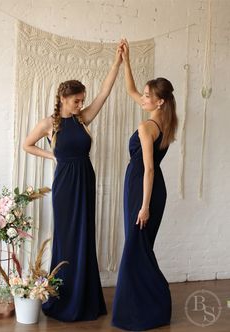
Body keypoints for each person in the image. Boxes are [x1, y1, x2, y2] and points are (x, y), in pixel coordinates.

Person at [23, 43, 122, 322]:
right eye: (76, 101)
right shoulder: (49, 124)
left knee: (85, 237)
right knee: (67, 239)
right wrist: (51, 154)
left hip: (85, 180)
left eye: (82, 100)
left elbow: (104, 92)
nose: (80, 105)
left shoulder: (83, 118)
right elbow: (27, 145)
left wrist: (117, 63)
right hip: (65, 186)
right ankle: (64, 300)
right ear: (63, 99)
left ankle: (86, 299)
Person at [112, 39, 178, 331]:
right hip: (149, 188)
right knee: (140, 248)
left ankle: (146, 307)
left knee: (136, 248)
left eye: (148, 95)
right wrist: (126, 60)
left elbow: (149, 169)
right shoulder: (163, 122)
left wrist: (144, 206)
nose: (143, 98)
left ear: (159, 101)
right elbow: (130, 90)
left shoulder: (146, 127)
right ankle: (147, 304)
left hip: (143, 190)